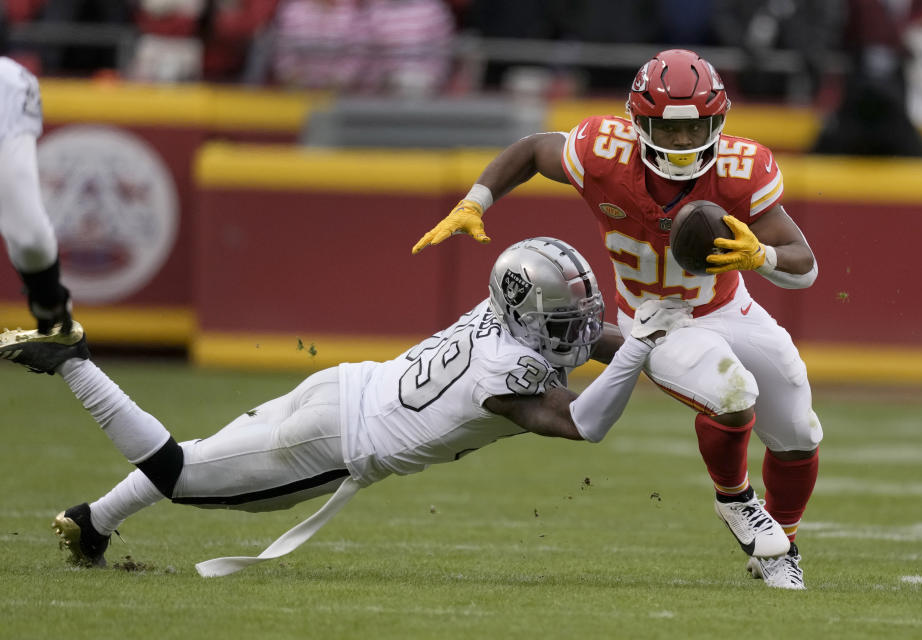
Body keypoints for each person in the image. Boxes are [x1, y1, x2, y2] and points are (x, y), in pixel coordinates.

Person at [0, 237, 692, 575]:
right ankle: (77, 361)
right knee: (182, 471)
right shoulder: (507, 370)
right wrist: (642, 346)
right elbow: (586, 422)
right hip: (334, 442)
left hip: (343, 387)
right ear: (527, 309)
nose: (577, 325)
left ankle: (95, 522)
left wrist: (657, 341)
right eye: (564, 312)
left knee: (206, 454)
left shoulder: (502, 312)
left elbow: (588, 335)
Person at [412, 49, 821, 590]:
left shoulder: (742, 170)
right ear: (638, 123)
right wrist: (476, 200)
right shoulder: (604, 152)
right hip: (656, 318)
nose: (682, 143)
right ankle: (735, 501)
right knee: (732, 391)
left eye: (696, 127)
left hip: (728, 306)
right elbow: (536, 149)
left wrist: (760, 257)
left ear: (718, 120)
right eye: (667, 130)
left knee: (799, 429)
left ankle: (781, 545)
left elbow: (806, 266)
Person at [0, 56, 72, 334]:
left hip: (6, 91)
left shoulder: (6, 82)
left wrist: (46, 292)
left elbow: (28, 236)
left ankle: (50, 305)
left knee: (29, 237)